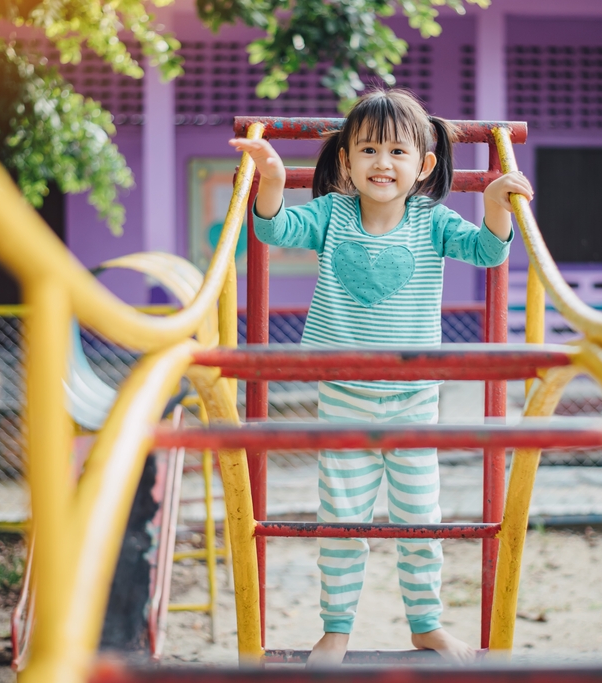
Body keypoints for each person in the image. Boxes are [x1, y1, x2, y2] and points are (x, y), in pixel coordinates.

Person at [229, 89, 534, 667]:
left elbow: (488, 252)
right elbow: (273, 231)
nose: (381, 163)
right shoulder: (330, 214)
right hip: (343, 396)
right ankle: (336, 630)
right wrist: (271, 179)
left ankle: (426, 625)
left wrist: (495, 203)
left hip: (414, 403)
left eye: (397, 150)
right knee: (341, 521)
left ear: (424, 164)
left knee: (421, 520)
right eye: (367, 149)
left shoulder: (433, 221)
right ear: (345, 160)